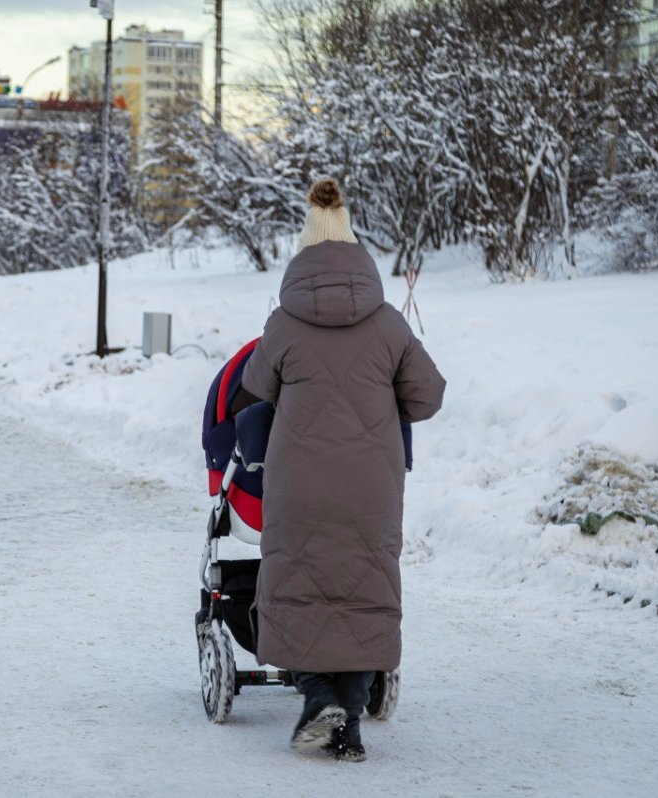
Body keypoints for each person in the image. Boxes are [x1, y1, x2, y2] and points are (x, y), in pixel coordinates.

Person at [241, 178, 446, 763]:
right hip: (370, 487)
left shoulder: (284, 324)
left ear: (301, 257)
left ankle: (318, 697)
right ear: (357, 253)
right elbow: (427, 397)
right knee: (363, 593)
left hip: (298, 485)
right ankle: (348, 723)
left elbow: (254, 389)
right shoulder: (388, 324)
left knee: (297, 587)